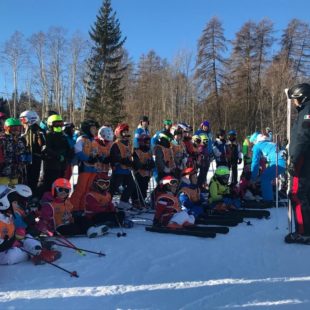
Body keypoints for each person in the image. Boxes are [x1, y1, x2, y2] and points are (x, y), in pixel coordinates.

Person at [0, 185, 59, 265]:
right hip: (4, 251)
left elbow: (15, 231)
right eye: (14, 202)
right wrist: (13, 240)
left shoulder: (8, 216)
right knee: (11, 256)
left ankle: (38, 250)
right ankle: (34, 253)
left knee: (27, 238)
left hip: (13, 242)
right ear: (4, 203)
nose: (17, 205)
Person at [36, 178, 108, 238]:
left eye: (66, 190)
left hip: (69, 222)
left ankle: (91, 229)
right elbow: (44, 219)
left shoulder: (67, 201)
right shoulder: (49, 205)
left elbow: (70, 213)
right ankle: (88, 230)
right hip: (58, 228)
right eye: (61, 190)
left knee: (83, 219)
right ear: (54, 190)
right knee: (73, 228)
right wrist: (45, 230)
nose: (64, 192)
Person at [285, 83, 310, 243]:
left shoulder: (306, 112)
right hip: (305, 159)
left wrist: (293, 159)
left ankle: (303, 232)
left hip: (302, 161)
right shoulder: (305, 111)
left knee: (297, 194)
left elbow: (302, 138)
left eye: (296, 100)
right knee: (305, 194)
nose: (294, 103)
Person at [36, 115, 73, 198]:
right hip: (51, 165)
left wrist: (68, 155)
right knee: (48, 183)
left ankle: (57, 200)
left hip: (62, 165)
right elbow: (46, 149)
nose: (59, 126)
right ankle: (42, 200)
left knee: (59, 184)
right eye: (56, 124)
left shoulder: (63, 136)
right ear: (50, 124)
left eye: (60, 123)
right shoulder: (48, 135)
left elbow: (68, 148)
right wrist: (58, 156)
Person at [70, 120, 102, 212]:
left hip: (93, 168)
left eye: (95, 129)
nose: (94, 130)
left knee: (87, 190)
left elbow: (98, 152)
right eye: (92, 128)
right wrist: (87, 158)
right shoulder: (82, 139)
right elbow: (77, 151)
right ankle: (74, 208)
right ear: (87, 129)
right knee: (80, 189)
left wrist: (99, 157)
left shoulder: (94, 141)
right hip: (84, 168)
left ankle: (82, 208)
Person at [250, 133, 286, 206]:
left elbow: (255, 162)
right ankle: (271, 195)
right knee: (267, 176)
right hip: (284, 160)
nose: (253, 144)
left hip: (278, 162)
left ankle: (268, 200)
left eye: (253, 142)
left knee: (265, 178)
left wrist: (253, 178)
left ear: (255, 140)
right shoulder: (269, 142)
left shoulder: (257, 146)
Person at [109, 123, 136, 210]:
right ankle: (107, 202)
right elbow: (115, 156)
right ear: (119, 133)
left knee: (131, 185)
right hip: (119, 170)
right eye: (124, 132)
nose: (126, 134)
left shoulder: (127, 144)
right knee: (113, 187)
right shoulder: (116, 144)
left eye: (127, 132)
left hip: (127, 170)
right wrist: (123, 160)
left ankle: (123, 201)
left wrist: (132, 162)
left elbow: (129, 155)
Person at [19, 110, 45, 192]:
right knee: (25, 177)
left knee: (32, 178)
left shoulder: (37, 131)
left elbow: (42, 145)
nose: (22, 122)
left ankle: (32, 193)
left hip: (34, 157)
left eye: (23, 120)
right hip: (26, 157)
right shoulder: (25, 130)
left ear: (31, 119)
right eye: (21, 120)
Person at [0, 118, 30, 185]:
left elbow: (23, 152)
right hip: (3, 172)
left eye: (18, 128)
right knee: (3, 190)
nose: (16, 130)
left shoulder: (20, 140)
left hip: (15, 172)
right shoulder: (2, 139)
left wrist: (26, 159)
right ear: (7, 128)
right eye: (13, 128)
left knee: (14, 189)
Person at [132, 134, 154, 208]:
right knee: (139, 187)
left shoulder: (149, 151)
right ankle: (136, 200)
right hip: (139, 173)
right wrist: (143, 165)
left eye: (148, 142)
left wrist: (150, 165)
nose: (148, 144)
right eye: (146, 142)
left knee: (145, 187)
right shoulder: (137, 151)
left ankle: (142, 200)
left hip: (147, 173)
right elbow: (136, 163)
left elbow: (152, 162)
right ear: (141, 142)